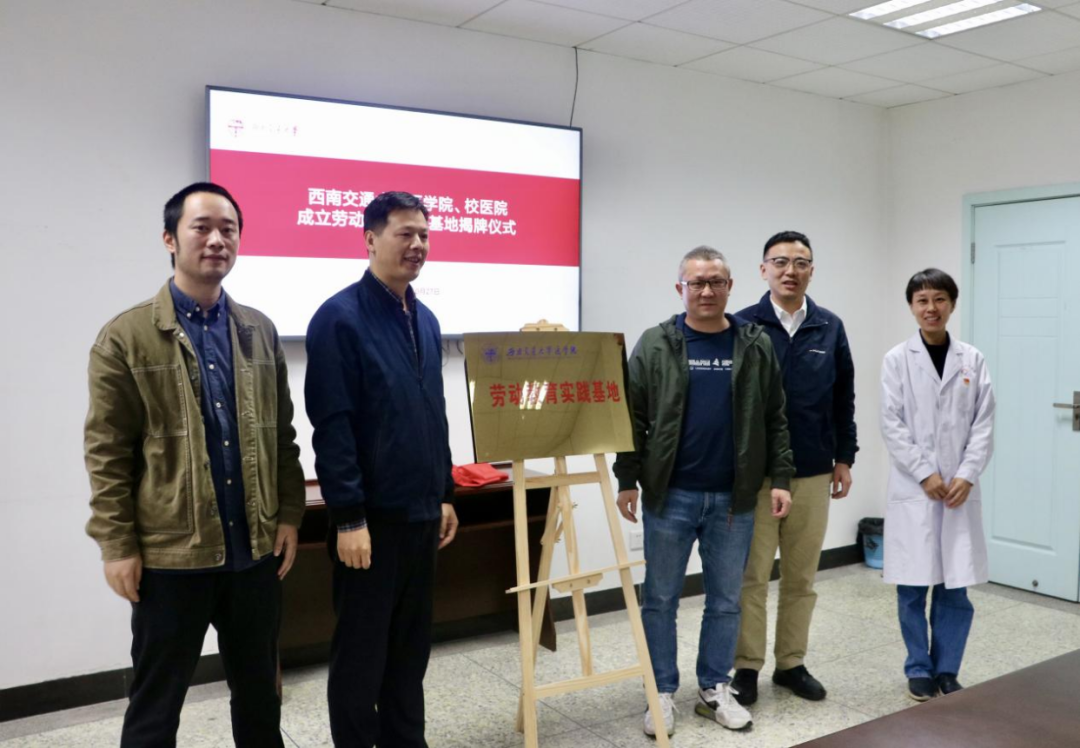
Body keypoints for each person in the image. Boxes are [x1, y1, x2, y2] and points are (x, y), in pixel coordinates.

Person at [84, 182, 306, 747]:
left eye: (228, 229)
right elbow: (107, 453)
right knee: (156, 705)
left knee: (260, 697)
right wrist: (117, 544)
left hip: (252, 553)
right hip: (170, 557)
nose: (216, 240)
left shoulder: (258, 330)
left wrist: (288, 514)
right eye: (201, 227)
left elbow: (281, 436)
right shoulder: (126, 337)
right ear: (169, 239)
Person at [613, 246, 794, 737]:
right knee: (660, 598)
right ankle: (660, 691)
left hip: (733, 499)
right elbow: (632, 417)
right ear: (681, 289)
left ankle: (715, 687)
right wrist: (626, 478)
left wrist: (780, 478)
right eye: (697, 283)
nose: (707, 291)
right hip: (669, 495)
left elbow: (776, 418)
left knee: (726, 600)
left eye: (716, 282)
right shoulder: (656, 343)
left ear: (730, 287)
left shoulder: (753, 344)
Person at [305, 191, 459, 748]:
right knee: (361, 657)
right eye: (404, 233)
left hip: (421, 516)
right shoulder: (339, 318)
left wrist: (444, 492)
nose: (417, 245)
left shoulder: (426, 318)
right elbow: (333, 427)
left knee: (410, 653)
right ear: (370, 239)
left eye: (424, 235)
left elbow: (433, 413)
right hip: (369, 524)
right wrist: (348, 518)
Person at [731, 231, 858, 705]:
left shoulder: (829, 326)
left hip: (813, 471)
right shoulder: (742, 325)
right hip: (757, 477)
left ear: (811, 270)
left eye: (800, 262)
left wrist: (844, 457)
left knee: (801, 578)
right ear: (763, 269)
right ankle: (746, 666)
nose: (790, 271)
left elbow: (843, 397)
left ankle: (790, 663)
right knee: (752, 578)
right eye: (780, 261)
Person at [880, 268, 995, 701]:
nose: (932, 308)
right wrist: (924, 473)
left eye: (940, 299)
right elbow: (891, 423)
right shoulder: (897, 360)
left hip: (958, 492)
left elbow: (984, 422)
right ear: (912, 306)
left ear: (952, 304)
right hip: (916, 490)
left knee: (955, 589)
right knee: (912, 589)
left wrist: (966, 474)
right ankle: (918, 669)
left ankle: (947, 669)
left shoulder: (972, 359)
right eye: (923, 300)